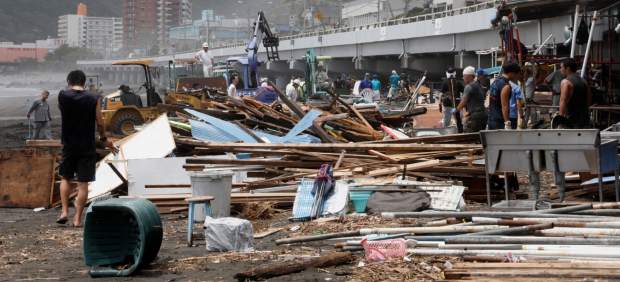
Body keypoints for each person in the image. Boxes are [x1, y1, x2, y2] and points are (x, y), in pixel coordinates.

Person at [57, 70, 115, 227]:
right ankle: (77, 219)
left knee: (65, 178)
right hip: (87, 145)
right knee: (83, 184)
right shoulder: (93, 98)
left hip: (69, 144)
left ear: (69, 81)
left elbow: (63, 110)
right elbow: (100, 122)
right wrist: (104, 139)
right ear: (84, 82)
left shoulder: (63, 95)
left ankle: (63, 212)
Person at [558, 58, 591, 128]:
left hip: (571, 120)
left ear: (568, 68)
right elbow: (588, 101)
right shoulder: (584, 81)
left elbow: (563, 101)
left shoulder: (566, 82)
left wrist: (560, 120)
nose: (560, 70)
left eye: (561, 67)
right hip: (584, 119)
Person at [488, 62, 521, 130]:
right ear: (511, 73)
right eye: (517, 74)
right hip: (500, 122)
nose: (517, 76)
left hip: (491, 119)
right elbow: (505, 106)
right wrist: (507, 123)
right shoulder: (506, 86)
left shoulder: (495, 81)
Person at [456, 66, 487, 133]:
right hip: (483, 114)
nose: (463, 78)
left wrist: (456, 110)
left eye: (464, 76)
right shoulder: (478, 85)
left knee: (470, 136)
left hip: (475, 117)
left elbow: (464, 101)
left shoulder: (469, 86)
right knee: (480, 137)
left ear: (470, 76)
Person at [439, 67, 465, 132]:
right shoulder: (458, 82)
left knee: (446, 121)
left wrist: (439, 103)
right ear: (455, 73)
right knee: (458, 120)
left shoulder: (445, 82)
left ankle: (445, 133)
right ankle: (459, 132)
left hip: (448, 105)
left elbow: (441, 94)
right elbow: (464, 93)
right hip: (456, 105)